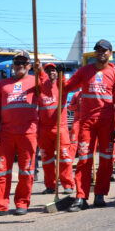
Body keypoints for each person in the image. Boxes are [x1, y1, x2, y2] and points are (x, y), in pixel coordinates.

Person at [64, 39, 115, 210]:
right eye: (98, 50)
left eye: (104, 50)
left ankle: (100, 195)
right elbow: (67, 87)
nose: (101, 53)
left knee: (106, 160)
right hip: (87, 123)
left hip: (107, 123)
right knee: (84, 159)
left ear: (110, 53)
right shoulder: (84, 71)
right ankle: (81, 197)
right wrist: (58, 80)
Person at [0, 51, 41, 217]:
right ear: (12, 65)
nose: (20, 65)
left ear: (29, 65)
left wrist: (40, 72)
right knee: (1, 171)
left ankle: (22, 203)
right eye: (17, 63)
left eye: (24, 63)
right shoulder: (2, 85)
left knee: (26, 171)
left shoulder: (36, 81)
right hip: (6, 134)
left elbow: (50, 91)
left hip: (28, 134)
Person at [37, 63, 74, 195]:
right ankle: (50, 186)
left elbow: (65, 85)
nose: (51, 72)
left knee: (64, 158)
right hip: (44, 130)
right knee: (47, 160)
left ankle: (67, 185)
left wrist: (62, 76)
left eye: (53, 70)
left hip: (60, 128)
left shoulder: (61, 86)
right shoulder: (39, 88)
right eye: (48, 70)